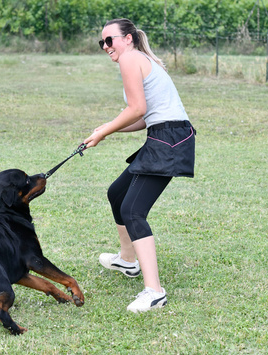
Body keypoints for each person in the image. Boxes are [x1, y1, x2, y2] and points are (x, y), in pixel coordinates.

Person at [83, 18, 195, 313]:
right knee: (116, 194)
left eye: (111, 40)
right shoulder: (139, 58)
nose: (106, 47)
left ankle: (154, 292)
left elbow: (137, 109)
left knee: (133, 210)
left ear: (129, 38)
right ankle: (127, 260)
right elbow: (145, 117)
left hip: (169, 138)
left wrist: (105, 129)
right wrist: (107, 130)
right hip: (163, 133)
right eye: (102, 42)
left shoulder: (131, 58)